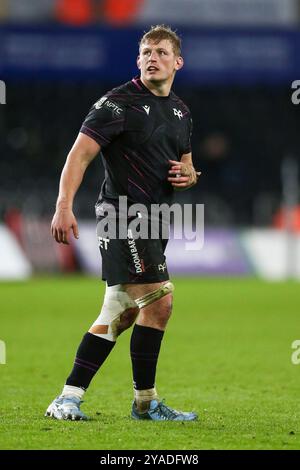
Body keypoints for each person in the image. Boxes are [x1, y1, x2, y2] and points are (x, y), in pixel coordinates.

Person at [46, 24, 200, 422]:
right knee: (159, 300)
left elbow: (186, 165)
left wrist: (190, 177)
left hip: (157, 219)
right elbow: (78, 156)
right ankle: (145, 402)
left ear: (177, 62)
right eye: (146, 51)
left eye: (162, 52)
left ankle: (68, 397)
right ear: (138, 60)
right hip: (122, 215)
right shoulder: (117, 104)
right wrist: (64, 205)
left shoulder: (181, 112)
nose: (153, 58)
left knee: (120, 311)